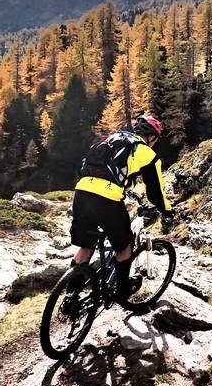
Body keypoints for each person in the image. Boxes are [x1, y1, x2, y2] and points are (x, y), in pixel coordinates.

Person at [68, 115, 174, 303]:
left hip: (82, 193)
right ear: (152, 137)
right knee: (124, 246)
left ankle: (70, 296)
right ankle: (122, 291)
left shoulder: (112, 140)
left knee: (86, 246)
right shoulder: (145, 152)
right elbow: (155, 190)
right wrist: (166, 210)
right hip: (106, 200)